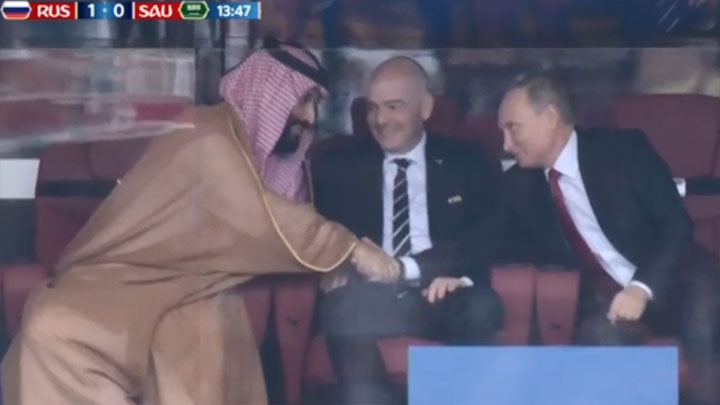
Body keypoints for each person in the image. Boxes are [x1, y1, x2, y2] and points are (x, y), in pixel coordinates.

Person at [1, 39, 401, 405]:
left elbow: (278, 221)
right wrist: (349, 248)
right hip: (126, 276)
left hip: (192, 285)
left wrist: (334, 261)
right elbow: (260, 215)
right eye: (303, 100)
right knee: (54, 329)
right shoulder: (209, 139)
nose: (311, 117)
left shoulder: (249, 150)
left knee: (193, 330)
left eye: (315, 103)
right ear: (267, 94)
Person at [498, 71, 720, 404]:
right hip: (610, 300)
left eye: (513, 128)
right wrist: (457, 273)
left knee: (704, 316)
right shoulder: (518, 186)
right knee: (598, 337)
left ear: (550, 117)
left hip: (679, 279)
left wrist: (641, 288)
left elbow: (675, 227)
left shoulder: (623, 151)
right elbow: (491, 238)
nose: (506, 144)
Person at [312, 56, 504, 405]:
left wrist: (459, 276)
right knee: (340, 308)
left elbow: (487, 235)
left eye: (394, 106)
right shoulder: (339, 167)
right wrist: (334, 262)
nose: (380, 120)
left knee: (482, 307)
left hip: (443, 288)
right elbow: (317, 230)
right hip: (370, 295)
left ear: (425, 107)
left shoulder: (467, 162)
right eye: (372, 108)